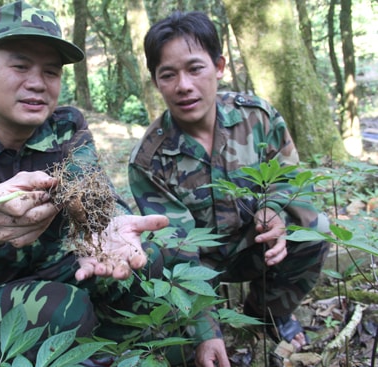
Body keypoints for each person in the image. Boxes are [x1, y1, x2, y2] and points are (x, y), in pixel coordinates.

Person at [0, 1, 168, 362]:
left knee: (144, 262)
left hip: (59, 270)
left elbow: (95, 190)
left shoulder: (66, 128)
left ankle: (112, 353)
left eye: (51, 72)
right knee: (62, 309)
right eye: (20, 66)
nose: (37, 84)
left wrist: (108, 223)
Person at [128, 10, 330, 367]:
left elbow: (290, 179)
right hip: (198, 264)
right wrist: (207, 332)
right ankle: (209, 321)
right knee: (167, 330)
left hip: (255, 246)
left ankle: (268, 311)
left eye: (195, 68)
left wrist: (275, 210)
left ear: (219, 66)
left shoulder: (258, 118)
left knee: (315, 227)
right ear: (156, 82)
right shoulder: (149, 160)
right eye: (168, 75)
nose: (183, 86)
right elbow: (177, 250)